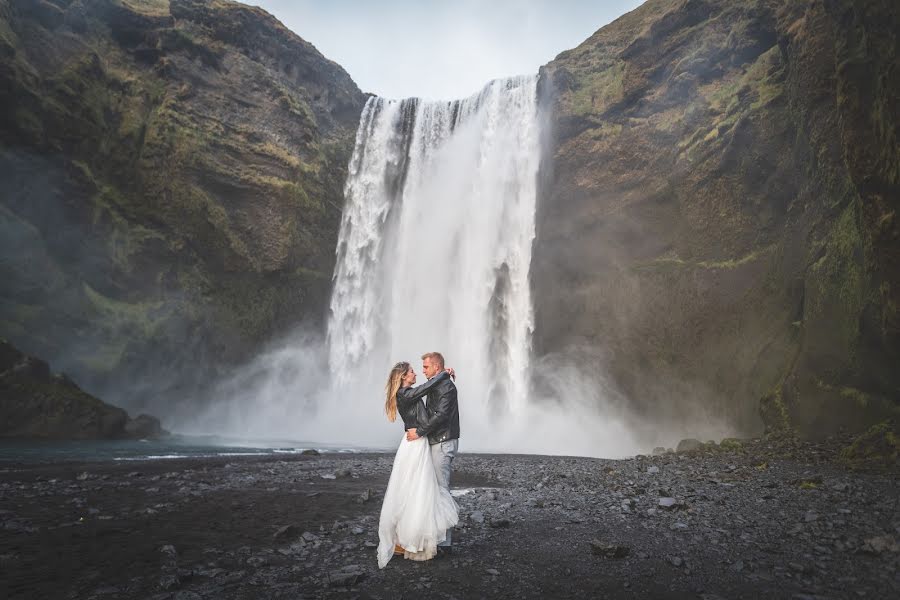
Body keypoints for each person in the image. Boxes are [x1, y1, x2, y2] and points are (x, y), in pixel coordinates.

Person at [376, 361, 459, 568]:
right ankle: (411, 540)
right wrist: (444, 373)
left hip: (415, 442)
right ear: (404, 376)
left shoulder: (405, 393)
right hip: (415, 443)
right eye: (413, 371)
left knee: (413, 489)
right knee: (417, 490)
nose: (416, 373)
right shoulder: (405, 393)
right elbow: (427, 388)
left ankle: (405, 540)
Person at [406, 351, 459, 553]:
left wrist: (419, 432)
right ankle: (438, 537)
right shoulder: (440, 382)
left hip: (443, 442)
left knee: (441, 489)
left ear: (436, 367)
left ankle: (444, 542)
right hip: (438, 440)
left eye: (426, 367)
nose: (423, 370)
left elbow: (442, 416)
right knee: (435, 488)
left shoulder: (446, 387)